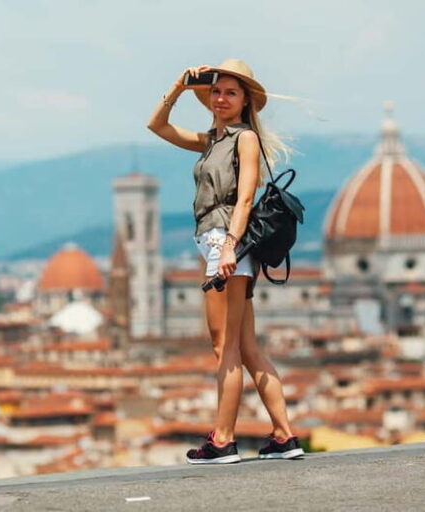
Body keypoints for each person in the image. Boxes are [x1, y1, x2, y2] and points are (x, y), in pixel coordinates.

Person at [146, 59, 304, 463]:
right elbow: (157, 127)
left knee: (224, 347)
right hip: (220, 243)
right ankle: (285, 436)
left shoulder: (244, 139)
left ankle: (222, 440)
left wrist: (229, 246)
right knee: (246, 346)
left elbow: (247, 195)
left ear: (245, 101)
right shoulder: (213, 139)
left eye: (231, 92)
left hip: (225, 242)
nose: (221, 98)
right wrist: (179, 87)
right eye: (216, 91)